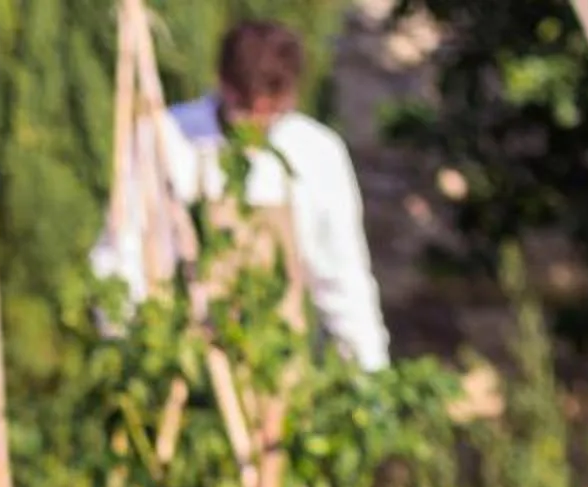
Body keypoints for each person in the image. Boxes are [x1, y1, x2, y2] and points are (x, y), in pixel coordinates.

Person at [89, 19, 391, 372]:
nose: (255, 123)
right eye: (245, 106)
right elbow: (120, 251)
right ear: (222, 82)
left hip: (278, 373)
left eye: (270, 111)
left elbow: (343, 277)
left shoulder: (316, 153)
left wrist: (369, 376)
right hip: (180, 367)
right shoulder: (166, 138)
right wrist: (132, 351)